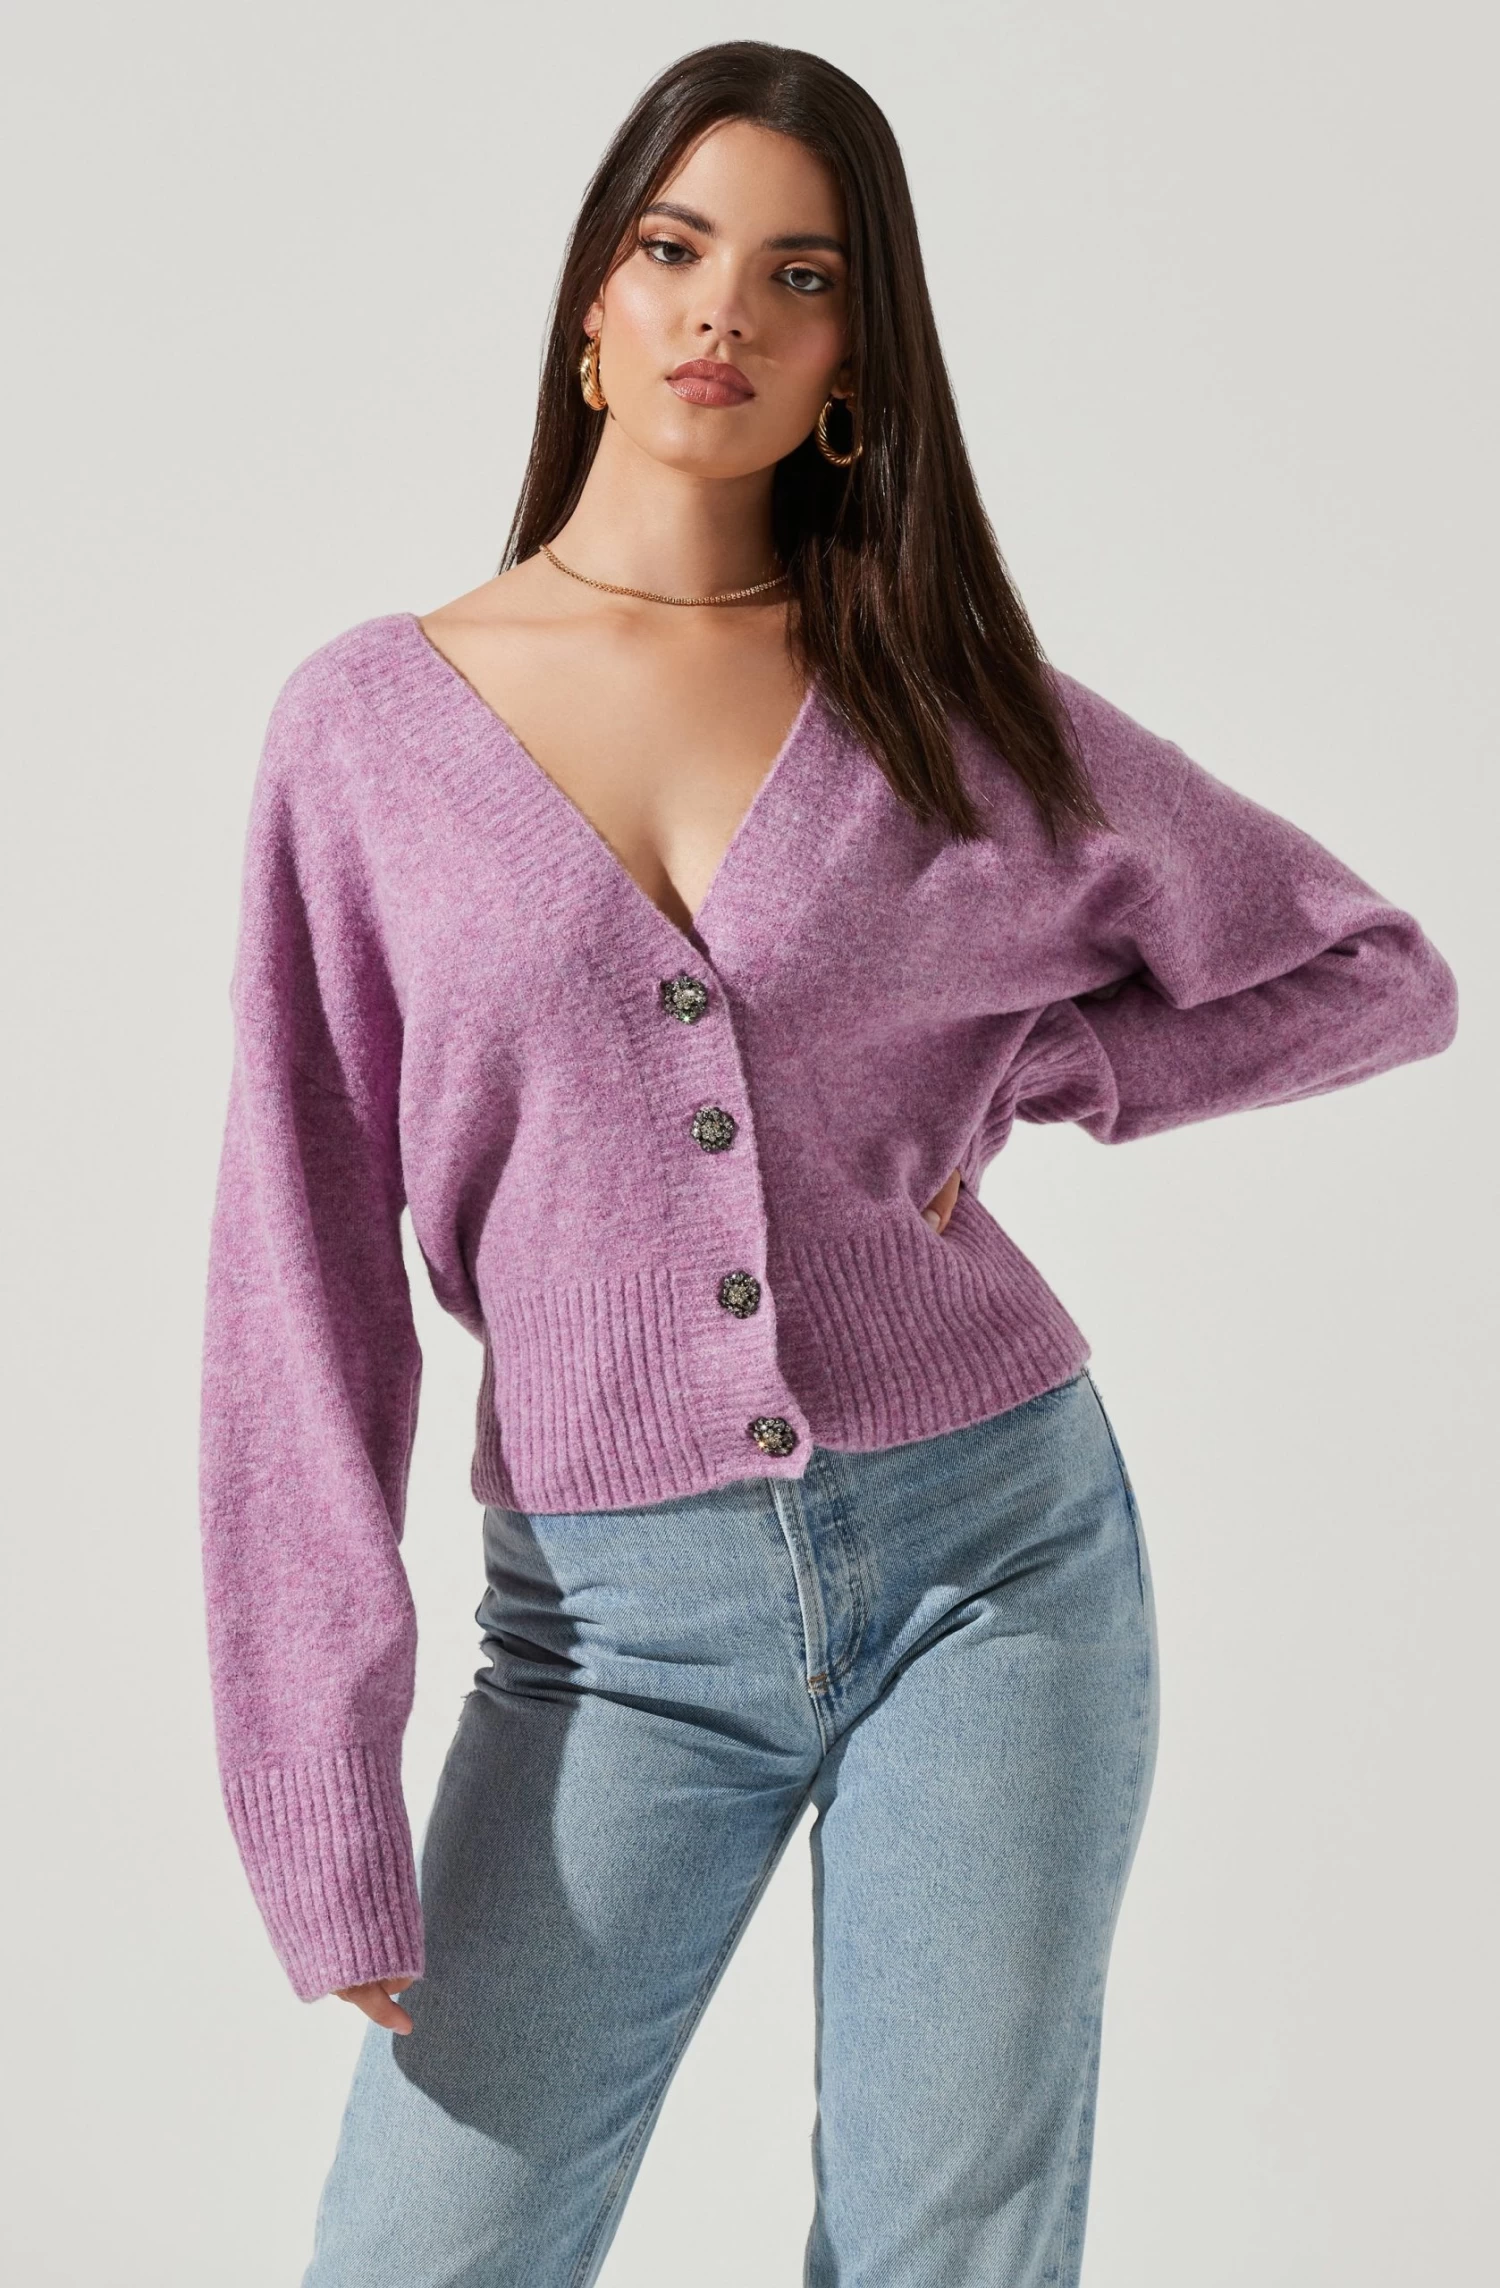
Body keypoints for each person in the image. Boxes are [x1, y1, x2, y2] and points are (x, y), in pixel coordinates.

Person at [196, 39, 1458, 2288]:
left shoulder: (945, 706)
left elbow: (1376, 972)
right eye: (675, 248)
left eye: (802, 275)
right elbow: (294, 1267)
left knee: (943, 2251)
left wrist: (1063, 1062)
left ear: (857, 361)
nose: (727, 312)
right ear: (591, 305)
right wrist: (320, 1770)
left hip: (1000, 1565)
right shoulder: (367, 728)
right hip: (604, 1634)